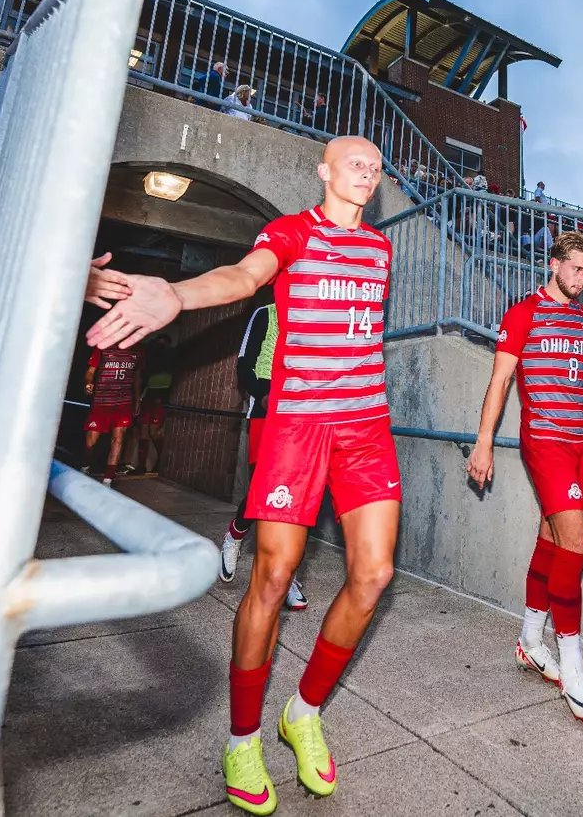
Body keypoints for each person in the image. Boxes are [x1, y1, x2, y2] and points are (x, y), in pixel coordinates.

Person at [88, 136, 398, 814]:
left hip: (365, 427)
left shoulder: (380, 249)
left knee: (374, 575)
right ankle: (242, 737)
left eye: (375, 166)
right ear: (324, 171)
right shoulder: (291, 233)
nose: (368, 172)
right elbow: (242, 276)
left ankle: (304, 713)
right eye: (355, 162)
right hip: (297, 428)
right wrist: (177, 294)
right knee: (274, 577)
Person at [466, 230, 583, 724]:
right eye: (576, 269)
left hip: (579, 442)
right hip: (544, 440)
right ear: (554, 264)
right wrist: (484, 441)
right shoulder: (523, 314)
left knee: (551, 539)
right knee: (576, 545)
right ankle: (573, 669)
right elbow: (501, 380)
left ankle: (530, 641)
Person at [219, 301, 307, 612]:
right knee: (262, 490)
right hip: (266, 408)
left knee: (295, 496)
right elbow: (244, 363)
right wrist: (263, 393)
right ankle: (235, 535)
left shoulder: (313, 311)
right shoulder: (266, 313)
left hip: (301, 409)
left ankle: (285, 573)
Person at [84, 343, 142, 483]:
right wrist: (88, 383)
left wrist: (137, 399)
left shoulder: (138, 350)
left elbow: (137, 375)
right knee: (91, 442)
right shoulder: (103, 346)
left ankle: (108, 479)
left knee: (118, 438)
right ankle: (84, 466)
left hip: (123, 401)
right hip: (102, 401)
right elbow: (91, 371)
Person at [134, 333, 174, 475]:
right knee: (144, 430)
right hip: (149, 395)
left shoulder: (169, 359)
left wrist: (164, 397)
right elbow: (142, 377)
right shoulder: (150, 358)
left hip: (161, 396)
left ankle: (161, 461)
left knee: (153, 431)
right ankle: (141, 466)